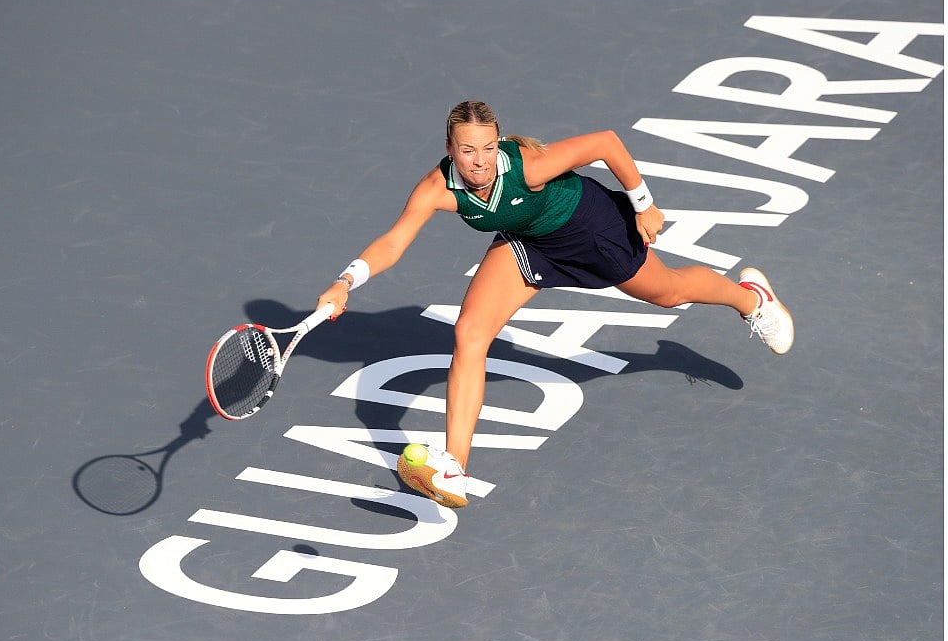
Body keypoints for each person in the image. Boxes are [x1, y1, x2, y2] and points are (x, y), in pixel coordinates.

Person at [316, 100, 793, 508]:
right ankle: (454, 466)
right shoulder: (437, 189)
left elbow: (605, 143)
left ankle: (751, 299)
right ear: (450, 150)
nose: (478, 161)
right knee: (469, 334)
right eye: (467, 150)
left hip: (591, 227)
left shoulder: (525, 167)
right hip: (530, 243)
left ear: (498, 143)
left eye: (487, 147)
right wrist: (345, 281)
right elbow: (395, 242)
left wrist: (643, 203)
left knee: (667, 292)